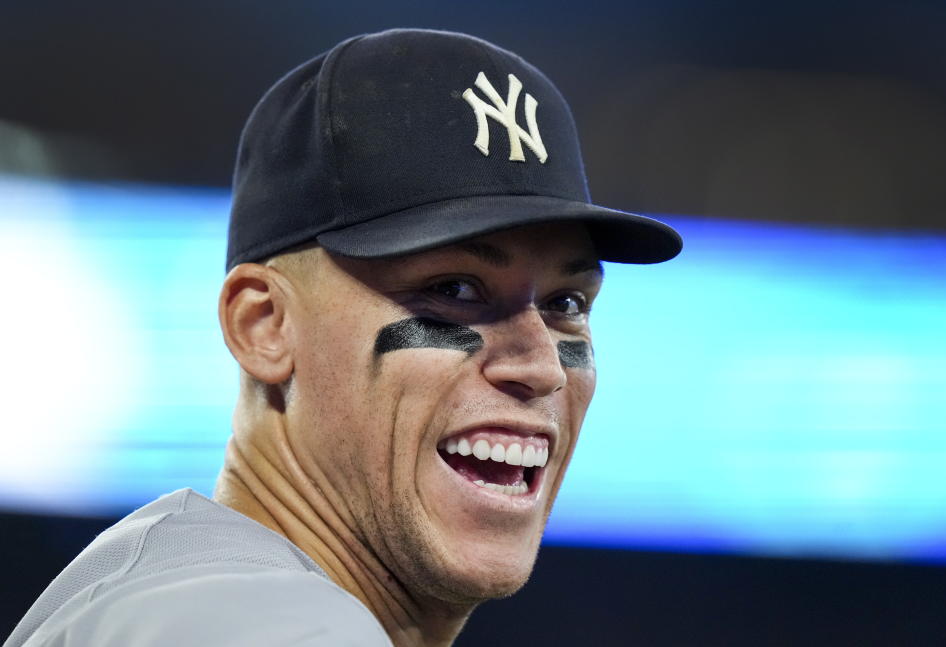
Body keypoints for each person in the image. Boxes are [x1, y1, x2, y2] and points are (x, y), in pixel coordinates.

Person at [6, 28, 681, 647]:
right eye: (454, 289)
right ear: (263, 325)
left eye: (566, 302)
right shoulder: (266, 627)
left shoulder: (167, 590)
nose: (541, 366)